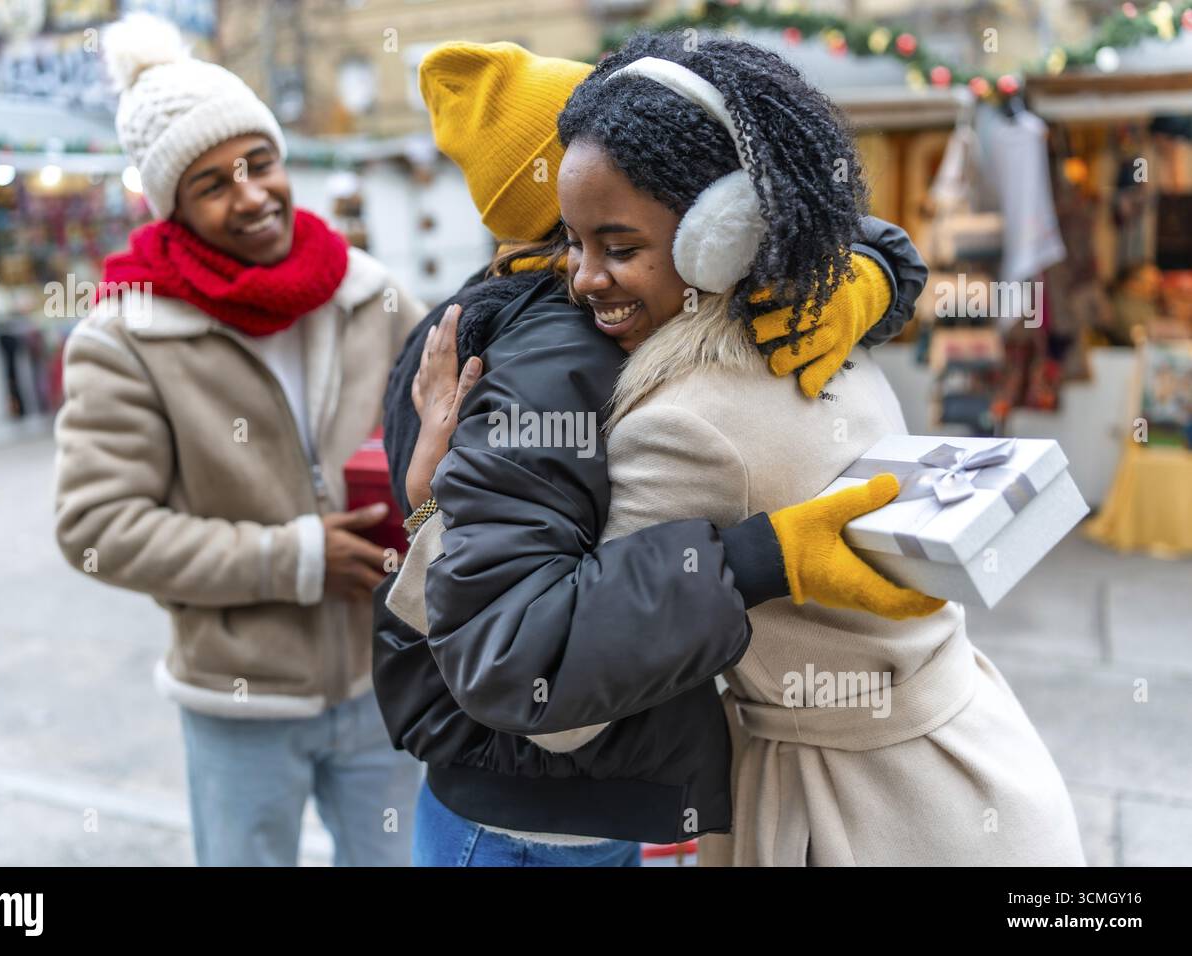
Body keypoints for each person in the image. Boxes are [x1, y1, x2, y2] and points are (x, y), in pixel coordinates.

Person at [374, 41, 941, 867]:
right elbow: (517, 641)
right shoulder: (558, 354)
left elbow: (843, 225)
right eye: (583, 240)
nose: (589, 277)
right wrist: (758, 558)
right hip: (532, 812)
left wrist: (865, 274)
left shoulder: (657, 304)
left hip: (576, 789)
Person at [526, 31, 1080, 865]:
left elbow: (567, 709)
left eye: (619, 247)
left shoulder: (682, 424)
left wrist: (436, 506)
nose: (583, 277)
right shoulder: (823, 321)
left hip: (859, 813)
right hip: (978, 763)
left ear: (721, 231)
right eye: (573, 243)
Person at [53, 13, 424, 866]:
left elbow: (441, 448)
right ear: (170, 205)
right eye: (214, 181)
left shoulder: (373, 296)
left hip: (384, 674)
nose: (253, 193)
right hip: (238, 698)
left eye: (261, 162)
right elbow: (97, 530)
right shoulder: (124, 339)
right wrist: (291, 558)